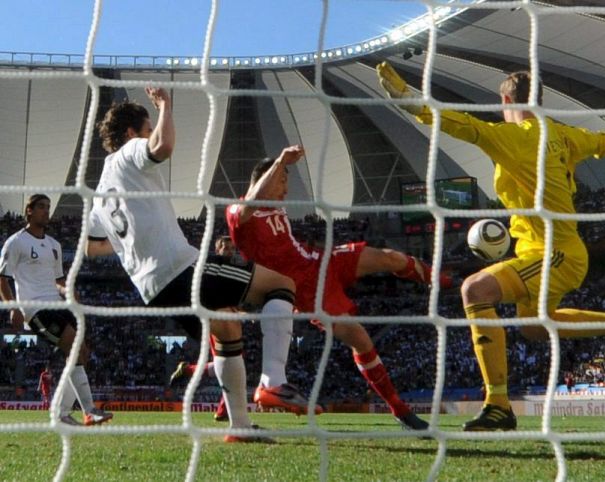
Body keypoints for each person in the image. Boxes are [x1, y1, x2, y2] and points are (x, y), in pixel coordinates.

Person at [376, 61, 605, 431]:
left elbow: (462, 125)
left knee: (474, 290)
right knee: (535, 328)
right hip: (550, 250)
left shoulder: (514, 136)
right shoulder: (562, 135)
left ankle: (498, 405)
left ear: (506, 99)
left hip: (552, 253)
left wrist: (410, 101)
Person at [86, 87, 296, 443]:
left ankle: (240, 428)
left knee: (227, 330)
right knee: (282, 285)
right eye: (147, 126)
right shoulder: (129, 152)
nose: (151, 130)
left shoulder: (100, 192)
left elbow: (90, 248)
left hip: (152, 289)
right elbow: (161, 147)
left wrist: (125, 244)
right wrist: (166, 104)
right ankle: (274, 382)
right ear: (130, 132)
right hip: (181, 269)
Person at [225, 144, 447, 431]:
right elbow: (248, 207)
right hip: (305, 287)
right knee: (361, 338)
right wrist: (280, 161)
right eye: (282, 181)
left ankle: (448, 282)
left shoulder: (276, 208)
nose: (285, 189)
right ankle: (401, 410)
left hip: (321, 260)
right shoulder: (238, 211)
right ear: (264, 179)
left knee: (388, 258)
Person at [170, 235, 321, 419]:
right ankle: (225, 410)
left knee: (230, 361)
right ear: (217, 250)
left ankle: (190, 371)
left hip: (229, 318)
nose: (230, 251)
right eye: (225, 248)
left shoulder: (234, 270)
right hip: (216, 320)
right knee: (231, 360)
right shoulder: (212, 268)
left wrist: (243, 313)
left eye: (232, 248)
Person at [0, 194, 113, 426]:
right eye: (41, 207)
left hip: (55, 304)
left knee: (82, 352)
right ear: (29, 211)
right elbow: (2, 278)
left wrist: (68, 290)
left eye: (48, 207)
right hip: (35, 308)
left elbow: (58, 280)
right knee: (73, 345)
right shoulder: (16, 242)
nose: (46, 211)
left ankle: (61, 413)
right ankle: (89, 410)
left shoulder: (54, 246)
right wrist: (13, 307)